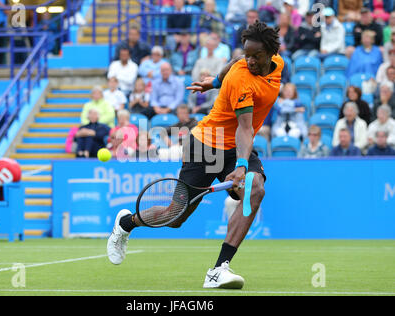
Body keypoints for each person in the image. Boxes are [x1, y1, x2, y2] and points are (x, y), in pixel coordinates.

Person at [108, 21, 283, 289]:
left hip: (235, 147)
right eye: (246, 54)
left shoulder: (277, 65)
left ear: (271, 54)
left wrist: (213, 82)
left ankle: (219, 269)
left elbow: (234, 60)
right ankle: (126, 222)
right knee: (174, 216)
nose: (248, 61)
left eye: (255, 56)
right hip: (204, 146)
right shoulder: (241, 79)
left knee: (254, 190)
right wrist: (241, 164)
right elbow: (245, 129)